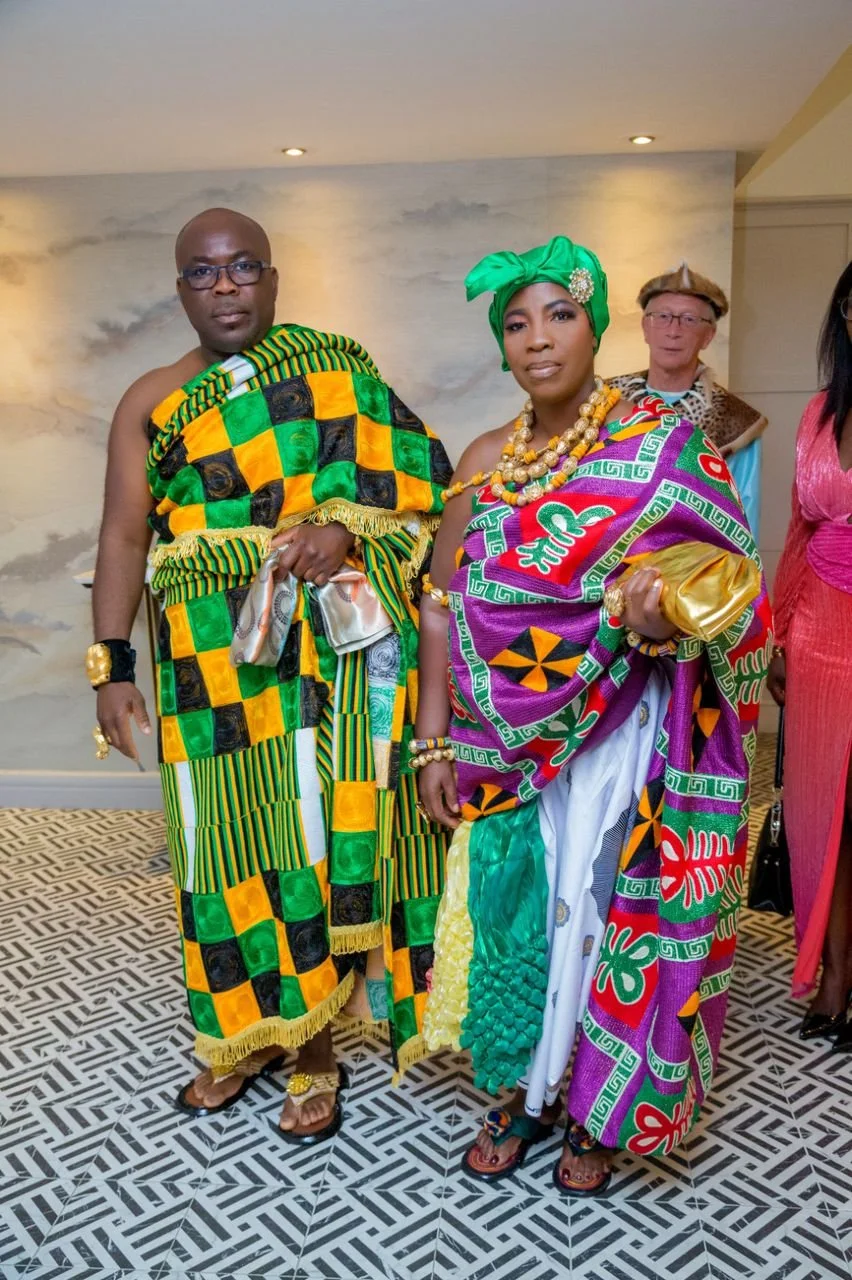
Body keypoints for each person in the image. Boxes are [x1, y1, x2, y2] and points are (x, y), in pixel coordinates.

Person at [415, 236, 771, 1195]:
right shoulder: (490, 459)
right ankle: (524, 1088)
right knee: (524, 910)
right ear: (501, 346)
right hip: (509, 743)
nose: (538, 340)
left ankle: (593, 1104)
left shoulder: (658, 444)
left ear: (596, 324)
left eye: (559, 316)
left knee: (607, 905)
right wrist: (433, 736)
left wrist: (654, 609)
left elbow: (722, 575)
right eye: (516, 323)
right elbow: (442, 602)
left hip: (625, 730)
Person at [89, 208, 452, 1140]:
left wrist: (344, 528)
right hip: (205, 658)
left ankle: (317, 1048)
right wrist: (111, 666)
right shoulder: (150, 400)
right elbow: (126, 534)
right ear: (181, 290)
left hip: (316, 651)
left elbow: (417, 482)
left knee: (303, 838)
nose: (225, 286)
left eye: (243, 267)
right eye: (203, 273)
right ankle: (240, 1031)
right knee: (216, 847)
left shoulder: (334, 369)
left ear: (274, 278)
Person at [768, 260, 852, 1051]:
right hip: (822, 630)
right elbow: (800, 530)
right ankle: (831, 974)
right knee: (822, 813)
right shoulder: (820, 415)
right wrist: (779, 635)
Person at [610, 263, 767, 537]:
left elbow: (745, 519)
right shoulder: (607, 399)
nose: (673, 331)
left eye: (689, 319)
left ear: (709, 336)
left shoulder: (737, 420)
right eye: (662, 316)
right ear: (645, 328)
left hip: (698, 564)